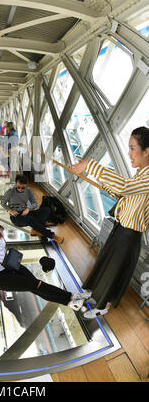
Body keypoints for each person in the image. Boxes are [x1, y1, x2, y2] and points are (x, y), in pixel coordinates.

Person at [70, 126, 149, 319]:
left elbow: (124, 186)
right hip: (121, 229)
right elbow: (125, 193)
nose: (129, 154)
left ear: (147, 151)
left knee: (114, 271)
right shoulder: (141, 173)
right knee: (104, 263)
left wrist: (90, 165)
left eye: (132, 148)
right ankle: (91, 291)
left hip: (130, 235)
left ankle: (102, 305)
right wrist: (97, 179)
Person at [0, 205, 90, 311]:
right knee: (36, 285)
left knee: (36, 286)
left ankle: (71, 303)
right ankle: (73, 297)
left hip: (10, 266)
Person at [1, 174, 64, 244]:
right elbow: (2, 203)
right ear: (16, 184)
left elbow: (35, 203)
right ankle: (53, 236)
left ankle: (36, 229)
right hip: (16, 216)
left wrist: (28, 208)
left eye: (23, 188)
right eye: (18, 187)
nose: (20, 189)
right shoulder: (10, 192)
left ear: (26, 185)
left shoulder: (28, 191)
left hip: (26, 212)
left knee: (46, 210)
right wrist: (10, 210)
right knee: (30, 219)